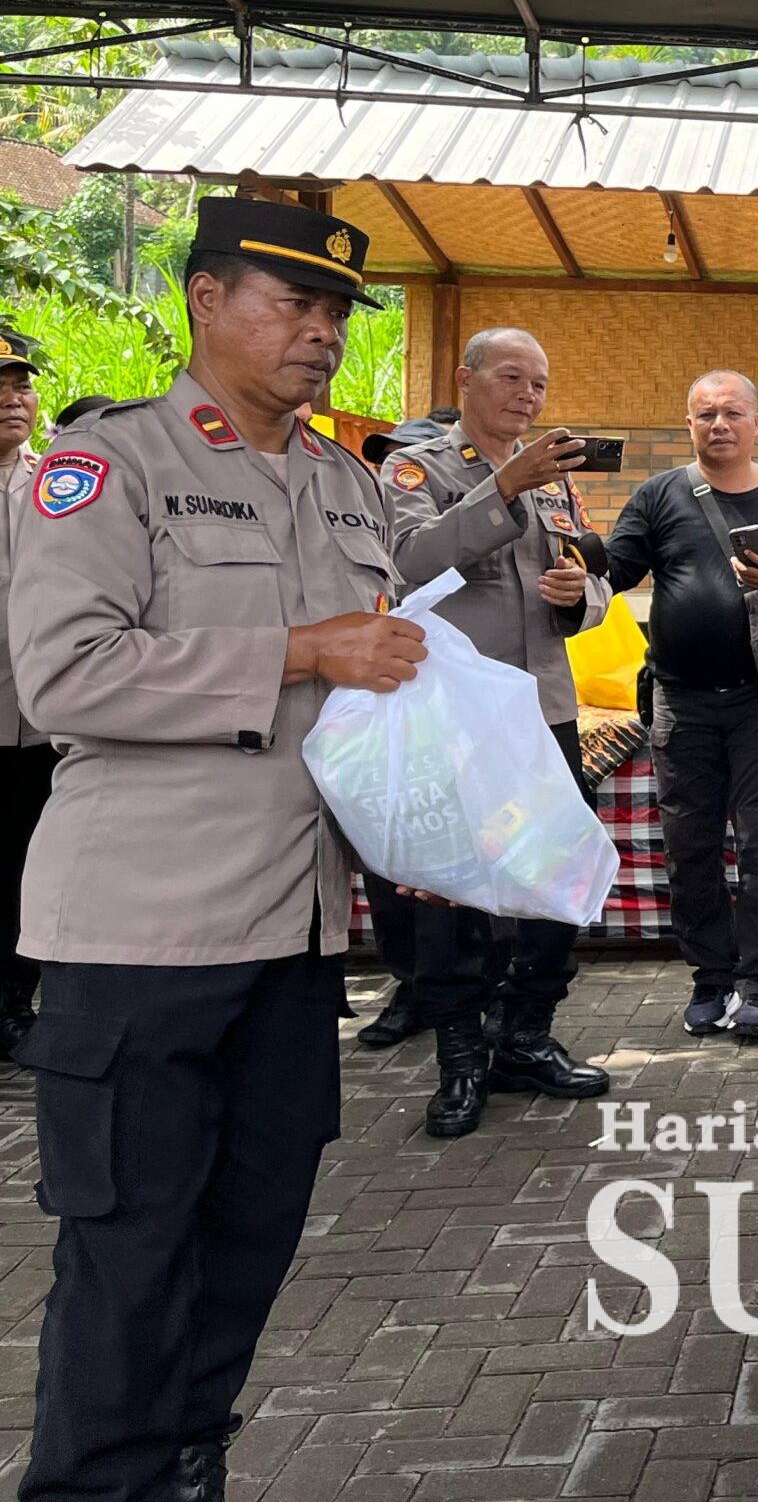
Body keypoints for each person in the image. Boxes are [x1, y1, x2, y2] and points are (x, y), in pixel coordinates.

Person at [7, 198, 427, 1502]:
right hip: (141, 935)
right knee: (131, 1253)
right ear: (204, 297)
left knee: (252, 1233)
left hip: (293, 932)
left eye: (337, 313)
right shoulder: (106, 467)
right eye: (293, 304)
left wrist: (417, 819)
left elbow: (366, 698)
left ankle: (188, 1463)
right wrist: (299, 652)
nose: (322, 334)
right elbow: (66, 675)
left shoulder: (350, 485)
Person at [377, 328, 612, 1135]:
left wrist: (580, 593)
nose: (528, 396)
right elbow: (409, 563)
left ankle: (526, 1037)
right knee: (453, 893)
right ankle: (459, 1056)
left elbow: (592, 576)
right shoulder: (415, 469)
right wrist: (503, 487)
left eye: (539, 384)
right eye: (512, 377)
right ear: (466, 378)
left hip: (544, 709)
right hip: (459, 717)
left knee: (553, 878)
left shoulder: (556, 480)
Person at [605, 370, 758, 1043]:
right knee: (691, 848)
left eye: (732, 413)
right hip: (680, 702)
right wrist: (572, 556)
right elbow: (614, 570)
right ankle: (710, 980)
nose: (719, 425)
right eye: (705, 414)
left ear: (757, 422)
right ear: (689, 424)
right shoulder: (659, 495)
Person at [348, 411, 455, 1050]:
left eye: (410, 460)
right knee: (387, 855)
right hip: (380, 706)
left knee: (449, 860)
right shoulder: (356, 517)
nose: (396, 472)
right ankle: (409, 983)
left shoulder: (468, 515)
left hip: (451, 706)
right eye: (387, 459)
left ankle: (466, 1000)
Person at [0, 326, 52, 1052]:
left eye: (21, 387)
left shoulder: (59, 484)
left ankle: (15, 1004)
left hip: (41, 723)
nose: (14, 400)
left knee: (27, 867)